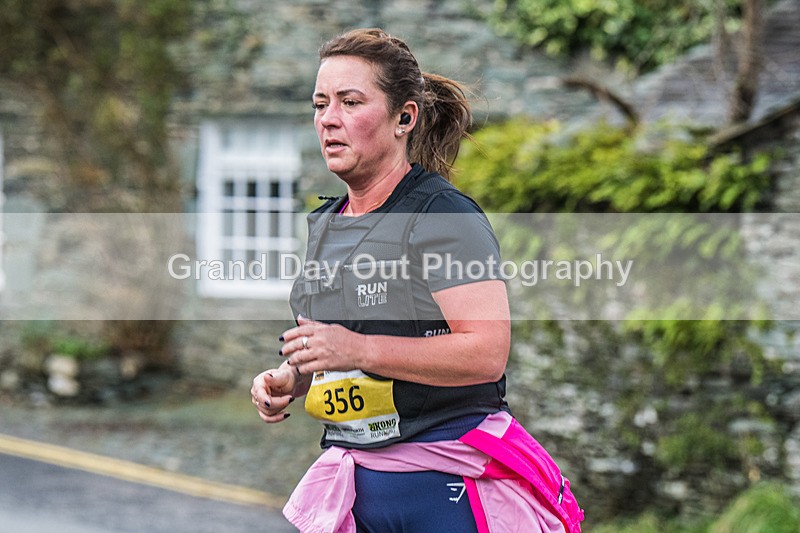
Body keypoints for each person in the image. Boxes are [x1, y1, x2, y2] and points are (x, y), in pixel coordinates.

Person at [251, 28, 583, 533]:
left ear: (404, 117)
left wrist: (358, 349)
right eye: (320, 105)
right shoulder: (327, 225)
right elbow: (331, 352)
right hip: (358, 485)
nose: (328, 120)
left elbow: (486, 352)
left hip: (445, 488)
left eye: (350, 101)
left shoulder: (442, 215)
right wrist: (290, 380)